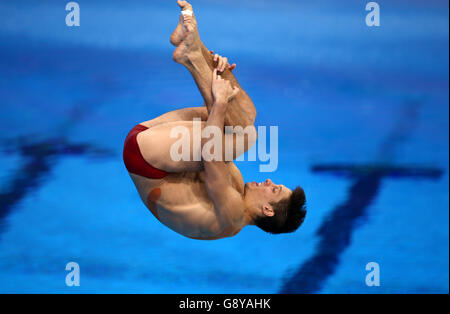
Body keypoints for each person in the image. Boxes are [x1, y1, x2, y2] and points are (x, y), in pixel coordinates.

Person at [123, 1, 306, 240]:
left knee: (246, 136)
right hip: (150, 142)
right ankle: (192, 45)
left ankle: (192, 53)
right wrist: (224, 75)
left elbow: (210, 153)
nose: (270, 180)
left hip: (146, 159)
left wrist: (220, 101)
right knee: (245, 118)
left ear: (267, 210)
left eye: (274, 189)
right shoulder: (237, 186)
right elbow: (218, 129)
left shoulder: (232, 215)